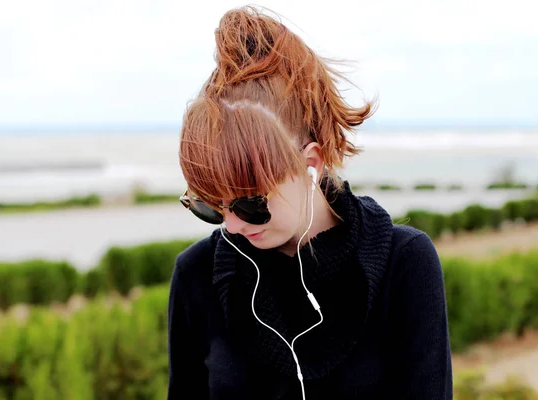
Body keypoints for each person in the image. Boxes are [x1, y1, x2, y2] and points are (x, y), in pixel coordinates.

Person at [167, 5, 453, 400]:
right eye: (212, 205)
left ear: (311, 163)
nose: (231, 226)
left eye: (251, 204)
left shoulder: (403, 264)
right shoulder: (197, 274)